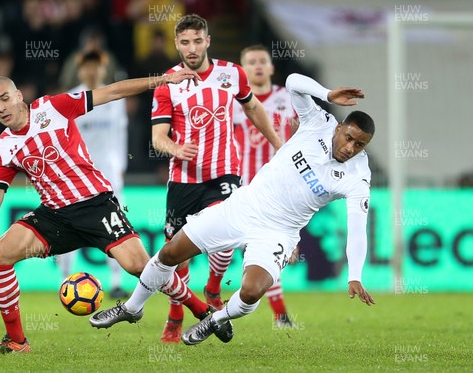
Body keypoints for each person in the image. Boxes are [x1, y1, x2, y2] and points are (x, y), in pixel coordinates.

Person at [0, 69, 229, 354]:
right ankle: (16, 341)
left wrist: (160, 80)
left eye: (4, 99)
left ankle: (203, 312)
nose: (0, 108)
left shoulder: (52, 108)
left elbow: (112, 92)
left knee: (140, 267)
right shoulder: (2, 148)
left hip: (96, 205)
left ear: (19, 95)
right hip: (55, 216)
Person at [89, 73, 376, 346]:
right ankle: (131, 307)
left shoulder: (358, 177)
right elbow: (292, 82)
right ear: (339, 128)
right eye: (349, 138)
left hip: (279, 232)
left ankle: (217, 318)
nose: (351, 148)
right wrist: (327, 94)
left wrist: (355, 275)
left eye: (360, 145)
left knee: (251, 292)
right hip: (243, 206)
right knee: (170, 253)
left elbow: (357, 228)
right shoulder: (318, 121)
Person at [148, 14, 282, 343]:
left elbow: (252, 108)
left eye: (197, 41)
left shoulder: (231, 74)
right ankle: (177, 311)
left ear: (208, 41)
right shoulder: (168, 82)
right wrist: (175, 148)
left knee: (226, 235)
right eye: (184, 42)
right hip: (183, 178)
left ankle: (212, 286)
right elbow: (157, 137)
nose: (191, 48)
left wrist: (278, 144)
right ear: (177, 44)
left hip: (224, 172)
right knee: (175, 251)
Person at [55, 50, 130, 299]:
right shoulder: (70, 99)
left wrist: (120, 167)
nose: (91, 70)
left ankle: (117, 282)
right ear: (79, 69)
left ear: (102, 69)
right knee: (68, 226)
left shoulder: (113, 99)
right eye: (87, 66)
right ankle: (65, 280)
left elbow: (121, 134)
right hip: (76, 174)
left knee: (115, 226)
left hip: (108, 174)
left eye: (96, 66)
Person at [233, 44, 298, 327]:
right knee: (238, 251)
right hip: (239, 186)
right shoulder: (233, 101)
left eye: (262, 61)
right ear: (243, 69)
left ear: (271, 68)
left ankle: (278, 314)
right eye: (251, 62)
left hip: (278, 189)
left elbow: (300, 136)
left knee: (265, 250)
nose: (258, 66)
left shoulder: (288, 98)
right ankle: (277, 313)